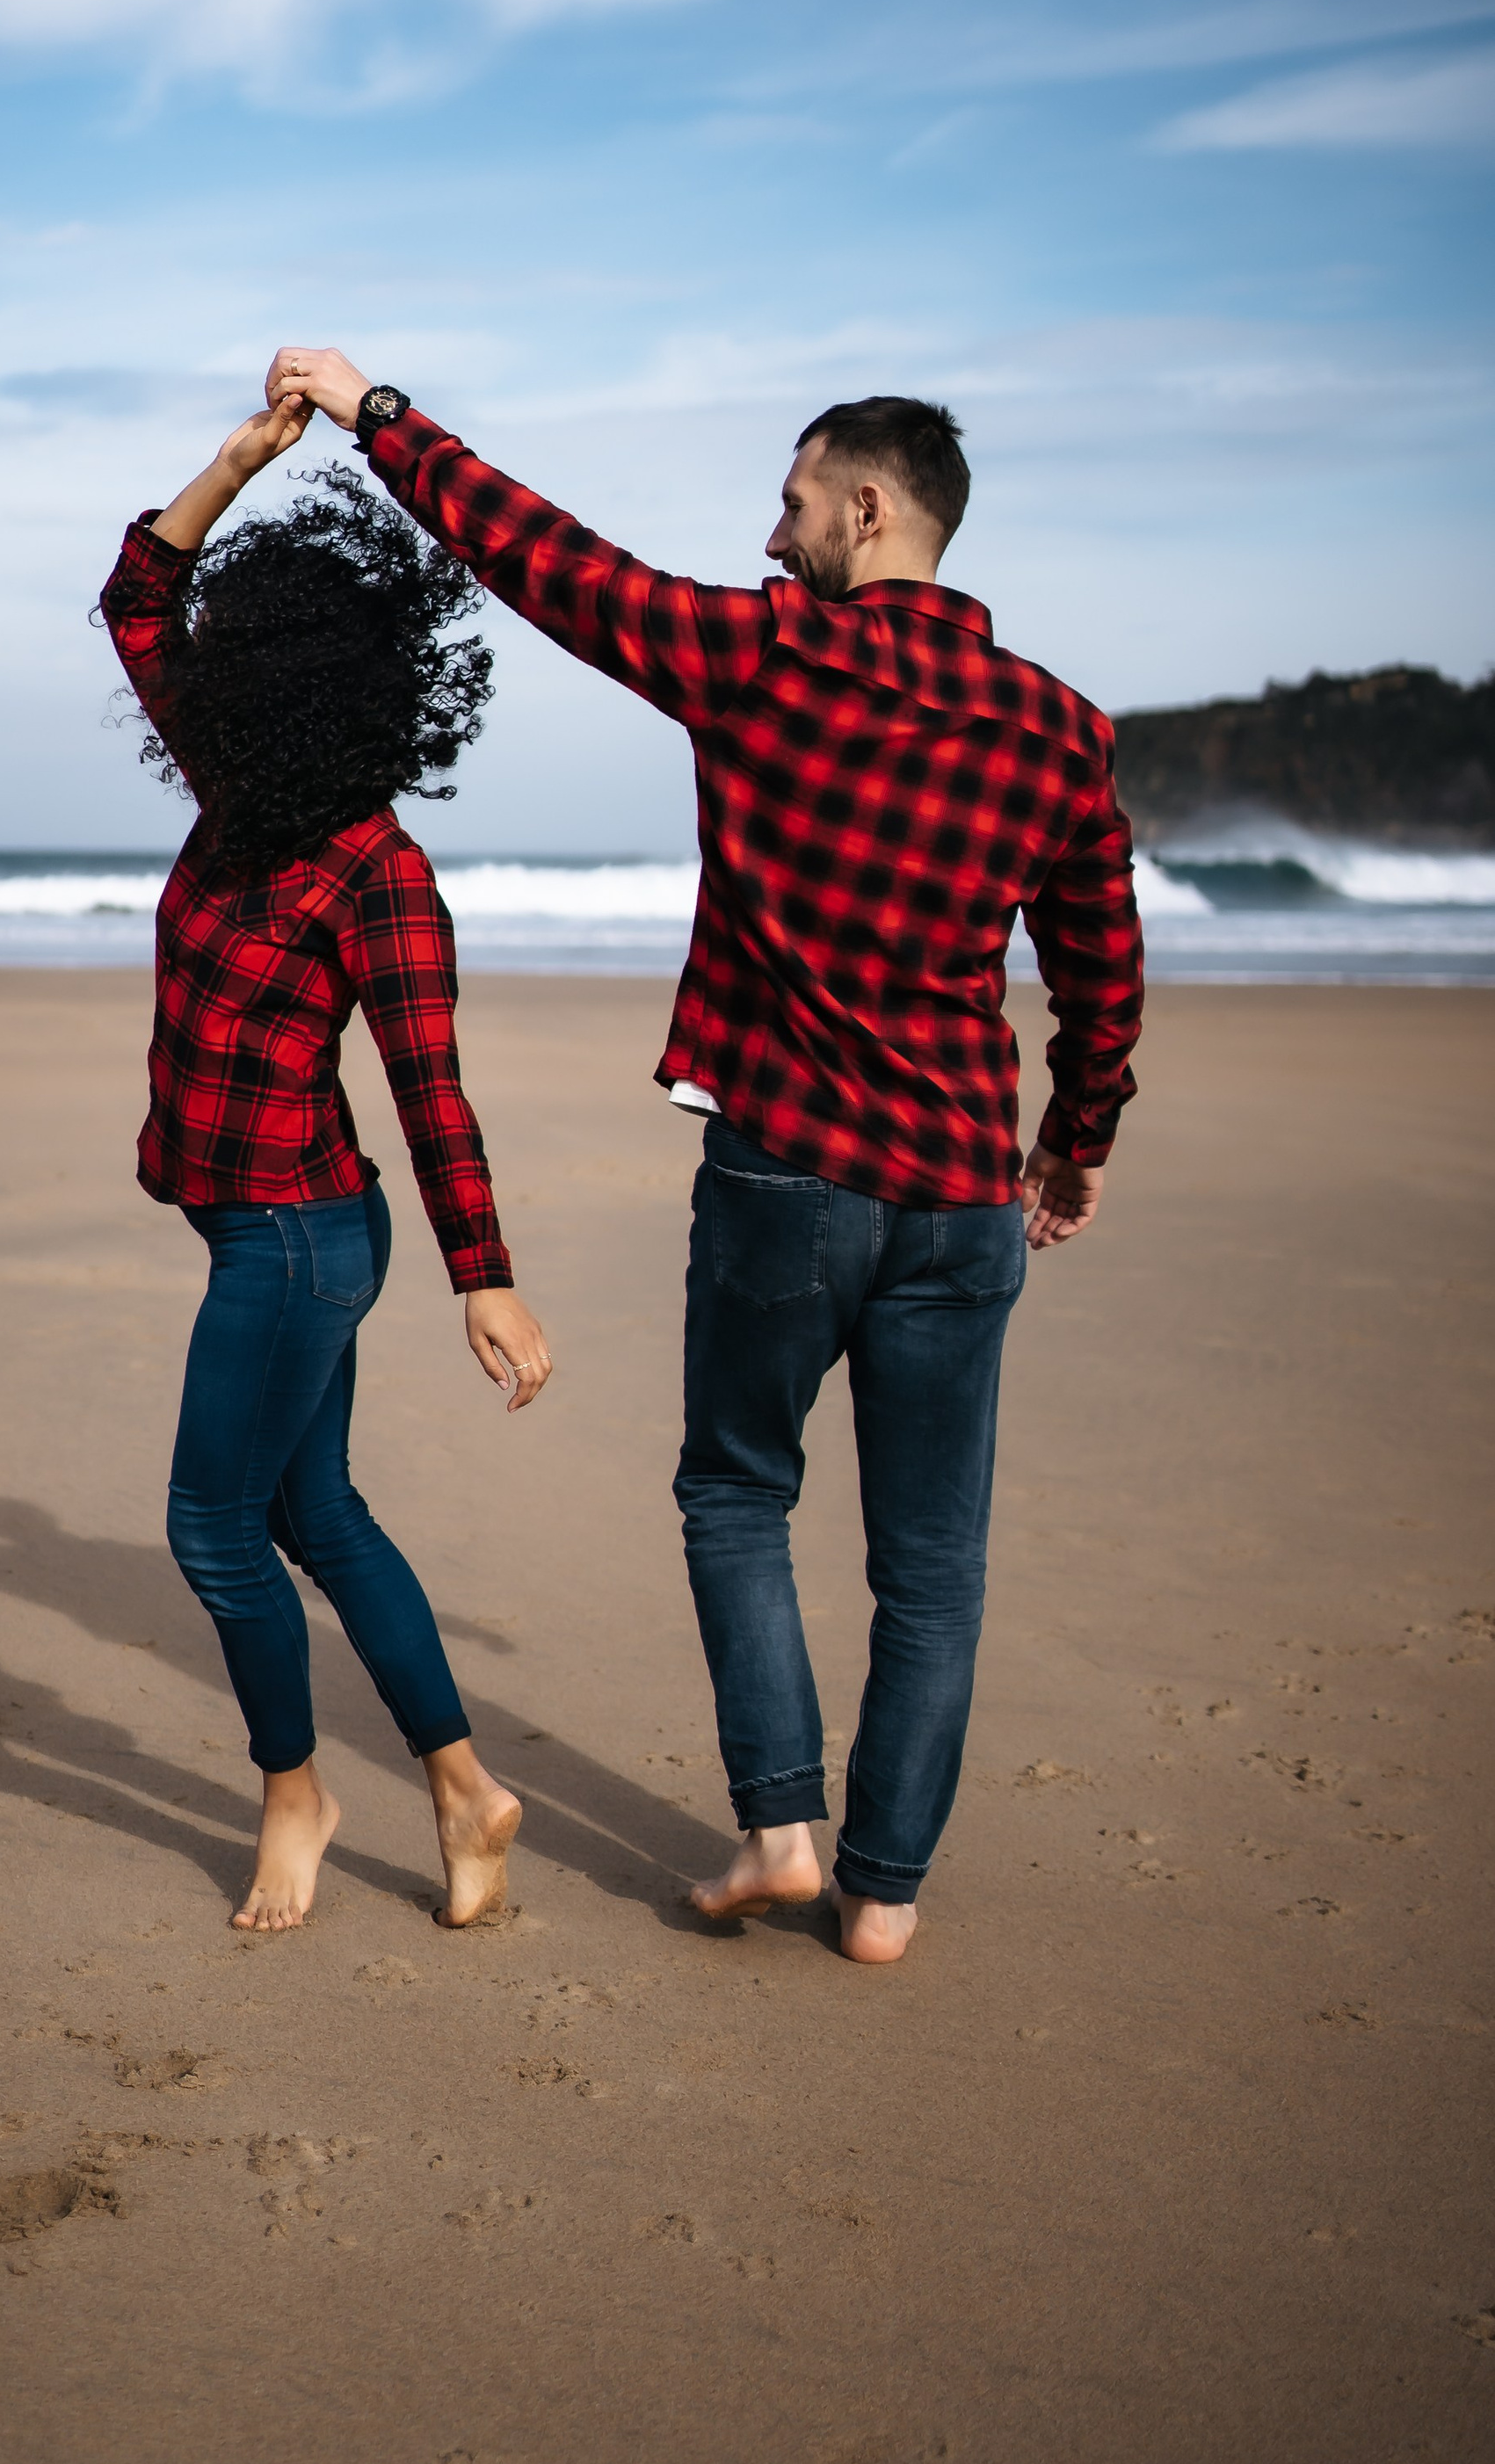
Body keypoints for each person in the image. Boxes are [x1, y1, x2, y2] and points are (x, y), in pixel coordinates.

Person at [263, 353, 1144, 1967]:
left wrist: (376, 412)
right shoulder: (1062, 731)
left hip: (788, 1174)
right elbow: (1102, 975)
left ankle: (782, 1830)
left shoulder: (764, 658)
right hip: (959, 1192)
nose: (775, 530)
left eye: (796, 500)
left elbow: (543, 558)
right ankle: (884, 1896)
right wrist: (1072, 1143)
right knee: (931, 1567)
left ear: (868, 507)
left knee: (739, 1490)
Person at [100, 392, 554, 1935]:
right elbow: (137, 598)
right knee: (316, 1514)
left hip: (299, 1238)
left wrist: (484, 1281)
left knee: (211, 1527)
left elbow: (434, 1095)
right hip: (267, 1227)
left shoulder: (380, 871)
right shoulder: (235, 792)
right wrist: (239, 463)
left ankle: (297, 1792)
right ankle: (467, 1792)